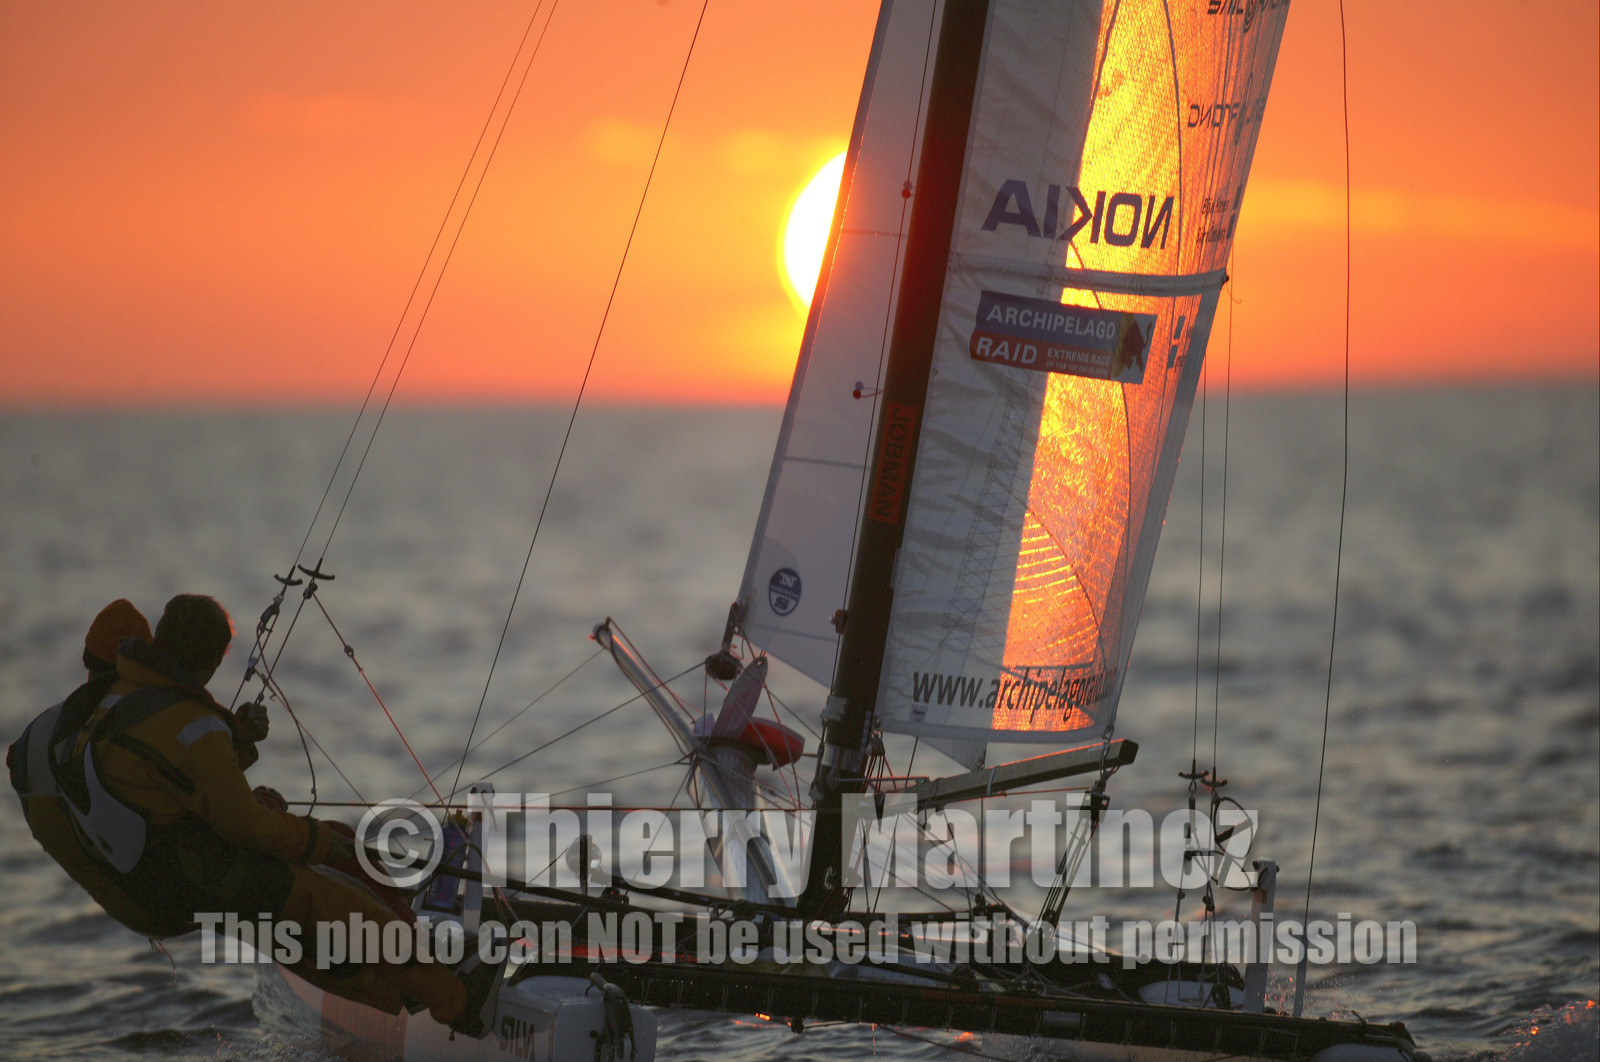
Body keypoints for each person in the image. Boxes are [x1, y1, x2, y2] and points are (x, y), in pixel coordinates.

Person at [10, 594, 499, 1036]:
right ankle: (459, 1001)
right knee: (330, 898)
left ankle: (398, 995)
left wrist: (235, 745)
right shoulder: (176, 719)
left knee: (287, 930)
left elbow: (158, 777)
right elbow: (241, 822)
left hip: (136, 884)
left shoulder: (82, 723)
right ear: (211, 659)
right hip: (174, 880)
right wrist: (318, 842)